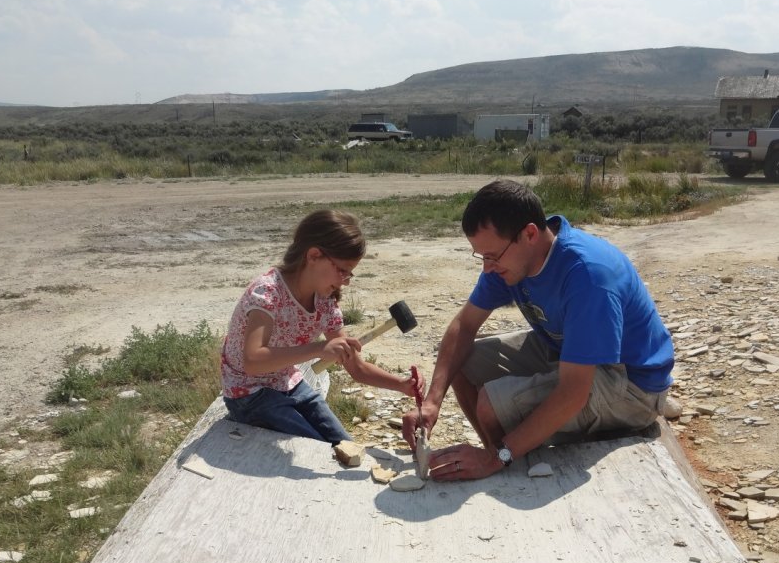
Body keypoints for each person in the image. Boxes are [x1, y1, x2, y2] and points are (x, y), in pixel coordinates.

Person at [402, 180, 674, 481]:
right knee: (463, 365)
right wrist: (431, 402)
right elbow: (463, 326)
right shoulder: (512, 258)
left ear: (529, 234)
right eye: (481, 257)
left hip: (632, 385)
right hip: (573, 354)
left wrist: (497, 458)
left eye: (491, 256)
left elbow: (573, 392)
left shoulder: (587, 275)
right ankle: (503, 456)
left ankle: (501, 461)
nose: (487, 268)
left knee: (491, 404)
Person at [221, 209, 419, 448]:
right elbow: (253, 361)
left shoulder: (324, 303)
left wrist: (400, 385)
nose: (345, 280)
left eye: (350, 273)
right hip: (248, 393)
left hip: (288, 383)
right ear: (314, 255)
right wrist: (319, 348)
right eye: (342, 270)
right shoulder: (268, 292)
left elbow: (355, 367)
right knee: (317, 449)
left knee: (345, 446)